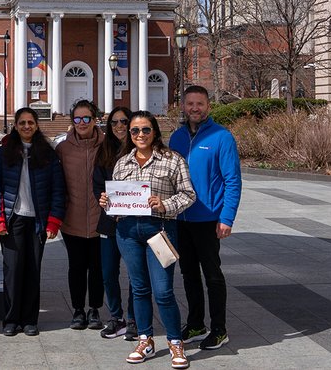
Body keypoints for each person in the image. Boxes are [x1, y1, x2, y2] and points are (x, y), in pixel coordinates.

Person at [99, 111, 195, 369]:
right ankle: (145, 339)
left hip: (160, 229)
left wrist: (165, 204)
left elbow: (188, 194)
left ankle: (175, 342)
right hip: (128, 231)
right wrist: (108, 203)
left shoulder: (172, 160)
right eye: (134, 131)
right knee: (139, 288)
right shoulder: (122, 163)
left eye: (145, 130)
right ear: (129, 135)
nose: (140, 135)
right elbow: (117, 203)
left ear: (154, 131)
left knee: (163, 291)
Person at [169, 85, 242, 352]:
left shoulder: (222, 137)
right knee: (188, 274)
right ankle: (196, 324)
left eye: (200, 104)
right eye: (190, 104)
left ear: (208, 106)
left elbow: (232, 180)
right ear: (184, 106)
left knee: (212, 275)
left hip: (209, 218)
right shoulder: (176, 138)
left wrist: (227, 217)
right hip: (181, 218)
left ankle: (219, 329)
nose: (195, 108)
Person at [0, 107, 66, 336]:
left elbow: (58, 190)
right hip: (13, 220)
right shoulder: (4, 152)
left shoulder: (48, 153)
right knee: (12, 271)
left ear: (37, 125)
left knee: (33, 270)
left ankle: (30, 320)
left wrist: (54, 222)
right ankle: (11, 320)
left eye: (30, 122)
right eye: (22, 123)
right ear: (16, 125)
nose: (26, 127)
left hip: (38, 221)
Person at [55, 98, 106, 330]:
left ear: (95, 119)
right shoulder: (63, 148)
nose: (82, 122)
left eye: (87, 118)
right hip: (72, 218)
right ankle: (78, 310)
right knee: (76, 266)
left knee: (97, 267)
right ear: (72, 121)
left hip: (100, 219)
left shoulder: (107, 145)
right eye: (78, 118)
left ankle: (95, 309)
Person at [96, 105, 137, 341]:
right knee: (108, 273)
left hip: (134, 223)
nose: (120, 126)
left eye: (124, 122)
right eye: (115, 123)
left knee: (134, 273)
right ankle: (115, 317)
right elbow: (97, 185)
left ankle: (133, 318)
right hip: (109, 222)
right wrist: (103, 199)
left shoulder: (142, 150)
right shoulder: (104, 151)